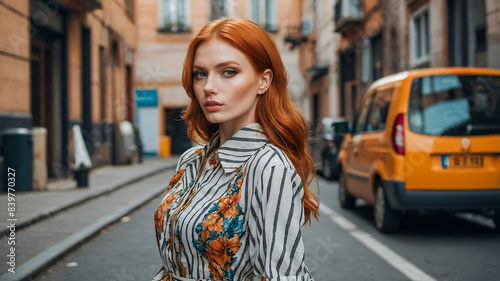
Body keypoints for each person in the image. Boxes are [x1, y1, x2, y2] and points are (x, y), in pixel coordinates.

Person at [153, 17, 319, 281]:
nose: (208, 86)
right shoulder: (191, 160)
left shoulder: (269, 168)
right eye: (200, 73)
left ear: (263, 81)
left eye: (228, 71)